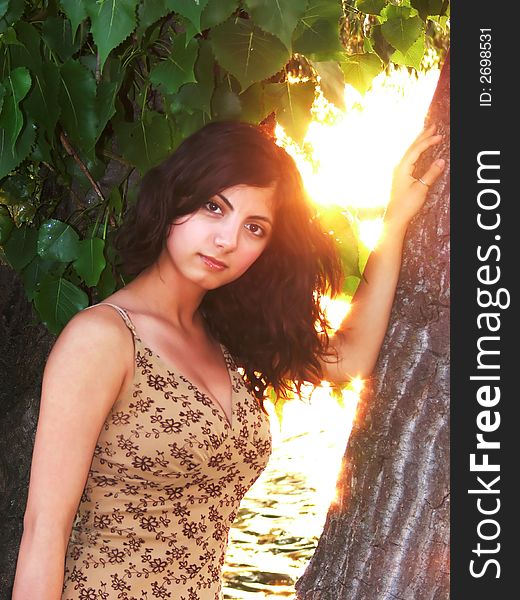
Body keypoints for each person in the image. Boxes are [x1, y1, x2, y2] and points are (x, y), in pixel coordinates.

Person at [12, 120, 444, 599]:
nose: (227, 240)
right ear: (178, 194)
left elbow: (350, 361)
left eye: (253, 228)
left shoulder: (226, 339)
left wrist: (394, 223)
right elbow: (43, 530)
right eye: (214, 207)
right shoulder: (103, 338)